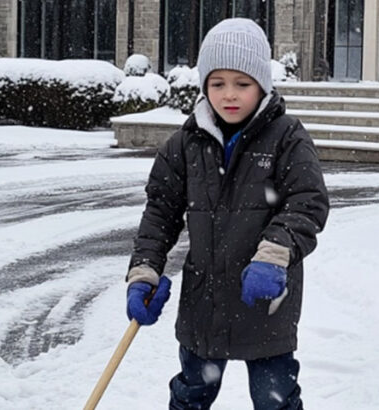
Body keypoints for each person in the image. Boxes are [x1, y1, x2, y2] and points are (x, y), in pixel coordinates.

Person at [125, 17, 329, 409]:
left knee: (276, 398)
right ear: (204, 86)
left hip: (267, 301)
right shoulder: (184, 145)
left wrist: (274, 254)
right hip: (205, 302)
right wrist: (144, 273)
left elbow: (307, 202)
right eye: (217, 83)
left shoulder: (286, 137)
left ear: (262, 86)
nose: (229, 95)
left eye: (242, 83)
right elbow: (159, 215)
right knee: (191, 394)